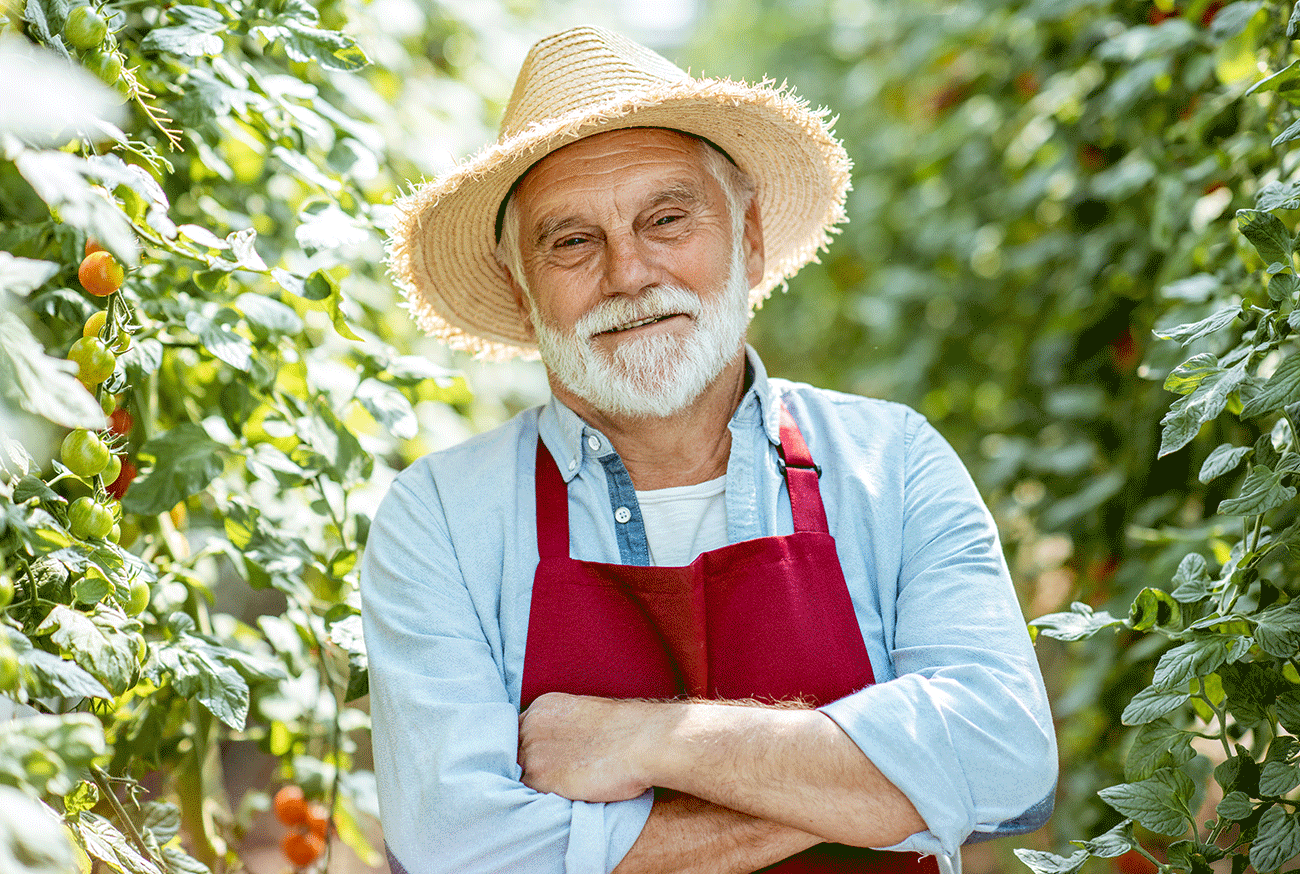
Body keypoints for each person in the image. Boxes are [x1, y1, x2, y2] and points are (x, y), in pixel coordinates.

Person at [361, 24, 1057, 874]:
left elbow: (1006, 758)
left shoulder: (893, 462)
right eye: (572, 241)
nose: (629, 273)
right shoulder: (438, 519)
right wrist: (880, 786)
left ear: (750, 239)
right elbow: (454, 847)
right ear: (520, 285)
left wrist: (646, 740)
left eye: (667, 218)